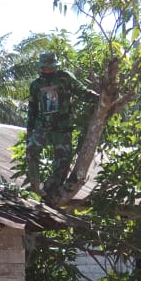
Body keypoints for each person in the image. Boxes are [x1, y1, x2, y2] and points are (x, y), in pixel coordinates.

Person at [25, 52, 98, 194]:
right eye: (45, 68)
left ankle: (51, 188)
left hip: (62, 128)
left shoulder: (65, 78)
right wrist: (30, 130)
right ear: (41, 68)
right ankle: (35, 185)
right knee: (31, 150)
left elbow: (82, 92)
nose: (48, 70)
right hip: (43, 126)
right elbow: (32, 108)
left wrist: (100, 99)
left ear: (55, 66)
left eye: (50, 67)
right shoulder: (36, 85)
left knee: (63, 161)